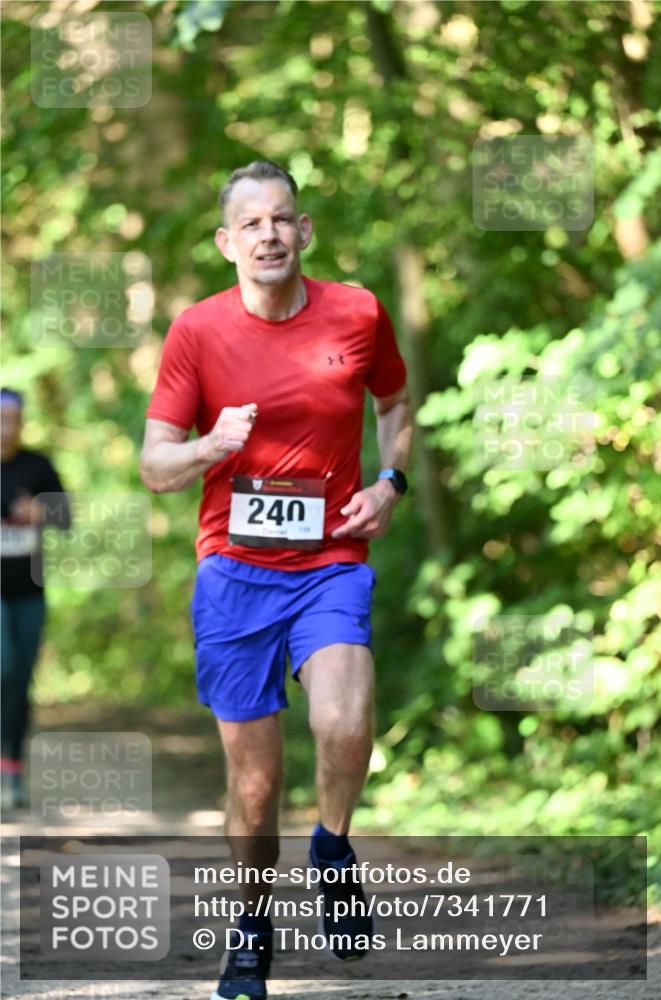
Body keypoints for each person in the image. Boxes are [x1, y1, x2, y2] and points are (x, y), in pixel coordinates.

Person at [140, 160, 412, 1000]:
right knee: (253, 791)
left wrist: (389, 484)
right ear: (227, 243)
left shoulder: (358, 311)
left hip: (330, 559)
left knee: (344, 718)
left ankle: (331, 847)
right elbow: (154, 466)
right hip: (233, 573)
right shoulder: (196, 332)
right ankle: (250, 933)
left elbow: (395, 406)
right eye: (250, 223)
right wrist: (207, 447)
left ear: (305, 233)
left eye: (282, 219)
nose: (268, 234)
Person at [1, 387, 70, 809]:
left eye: (13, 419)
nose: (6, 427)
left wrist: (40, 511)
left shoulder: (37, 466)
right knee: (3, 668)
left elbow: (66, 518)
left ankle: (12, 768)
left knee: (20, 678)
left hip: (29, 589)